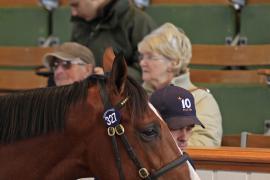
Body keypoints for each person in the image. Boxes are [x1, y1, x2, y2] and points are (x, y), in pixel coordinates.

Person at [138, 23, 222, 147]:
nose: (142, 63)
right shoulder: (138, 97)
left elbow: (204, 145)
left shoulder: (201, 99)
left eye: (150, 57)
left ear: (174, 62)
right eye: (142, 56)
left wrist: (151, 147)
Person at [69, 0, 157, 82]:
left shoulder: (139, 23)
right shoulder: (81, 23)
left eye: (76, 5)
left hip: (122, 94)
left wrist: (111, 76)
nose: (74, 13)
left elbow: (148, 70)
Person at [150, 85, 205, 150]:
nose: (184, 138)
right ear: (152, 129)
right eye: (176, 128)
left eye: (189, 129)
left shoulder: (187, 159)